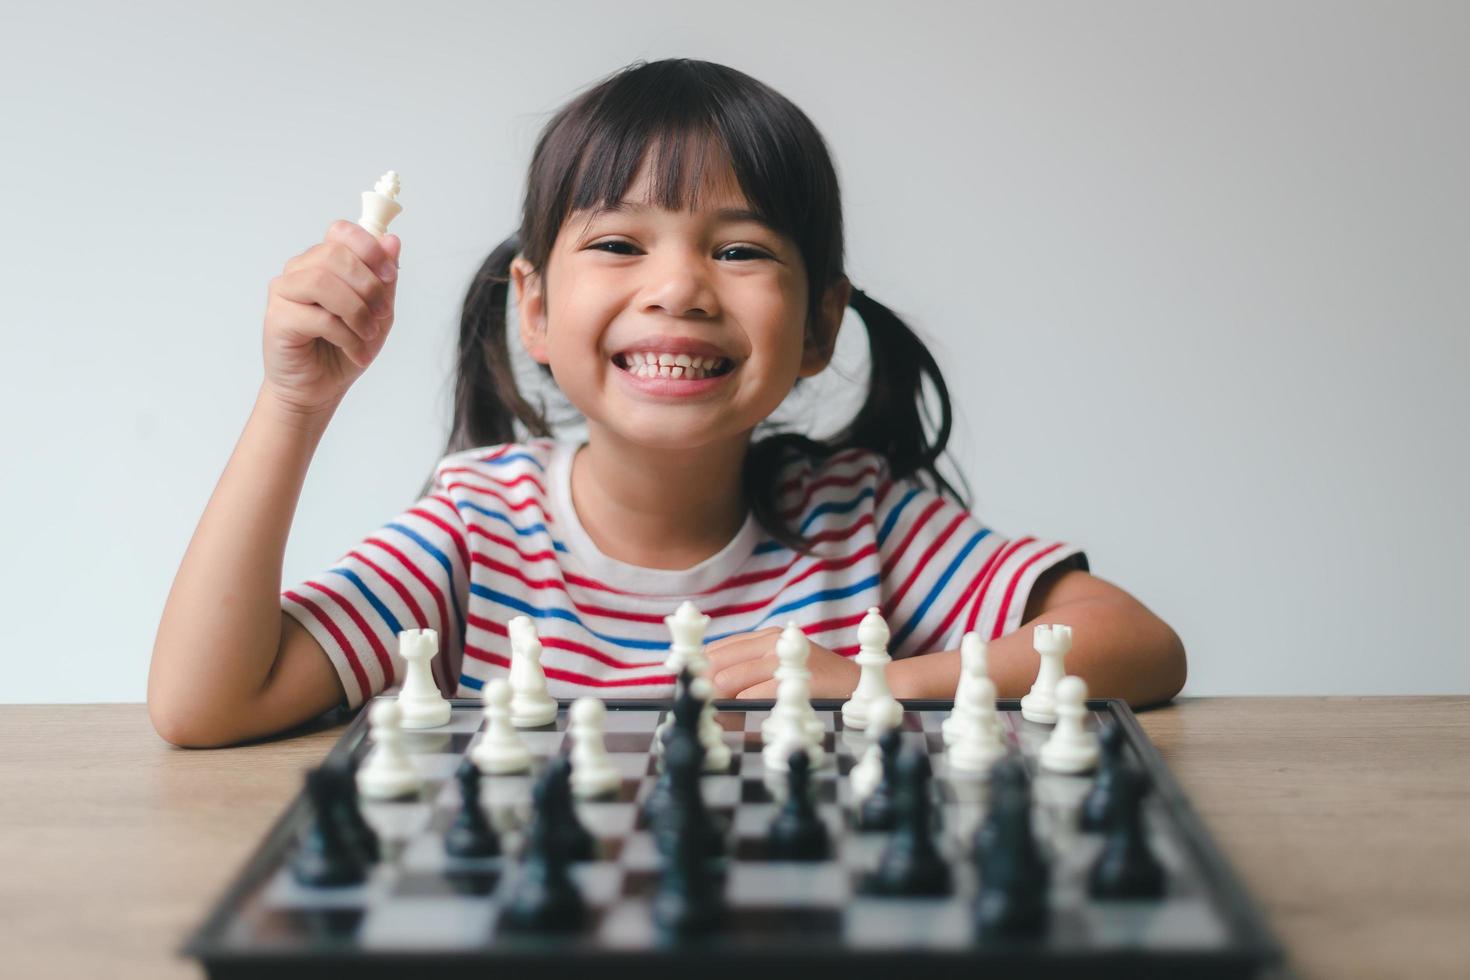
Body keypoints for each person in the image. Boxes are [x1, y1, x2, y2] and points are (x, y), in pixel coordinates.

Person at [148, 59, 1185, 748]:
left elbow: (1136, 639)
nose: (680, 288)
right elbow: (204, 704)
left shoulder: (859, 516)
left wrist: (884, 681)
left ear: (820, 326)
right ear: (537, 309)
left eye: (739, 250)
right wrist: (295, 402)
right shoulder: (478, 523)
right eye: (617, 243)